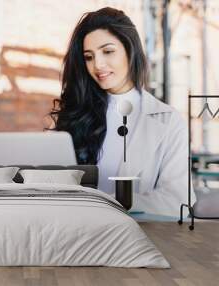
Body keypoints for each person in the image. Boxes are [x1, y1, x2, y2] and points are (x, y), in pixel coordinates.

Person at [48, 7, 195, 216]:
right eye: (89, 57)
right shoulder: (74, 113)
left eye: (108, 51)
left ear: (130, 50)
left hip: (134, 238)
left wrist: (104, 203)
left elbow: (176, 201)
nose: (98, 65)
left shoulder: (169, 121)